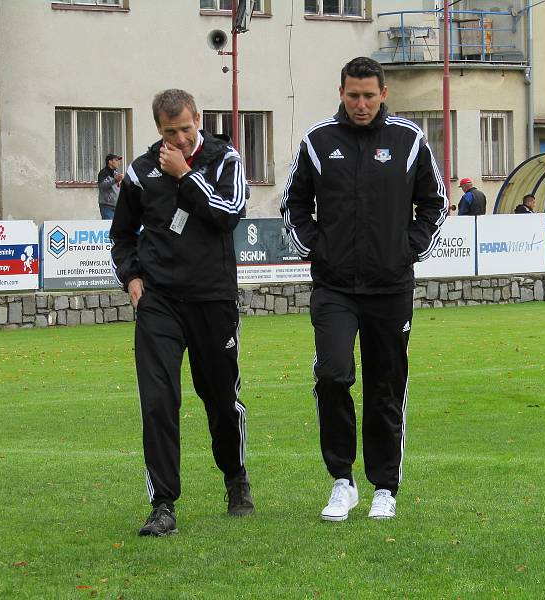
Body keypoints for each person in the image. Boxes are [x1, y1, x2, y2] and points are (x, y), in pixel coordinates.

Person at [281, 57, 447, 521]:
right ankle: (342, 481)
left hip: (391, 287)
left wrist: (406, 249)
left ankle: (384, 487)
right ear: (341, 93)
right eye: (353, 95)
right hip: (334, 286)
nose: (361, 104)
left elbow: (436, 204)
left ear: (383, 94)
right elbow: (292, 204)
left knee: (385, 386)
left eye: (369, 96)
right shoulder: (318, 142)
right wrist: (317, 248)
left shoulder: (408, 141)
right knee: (333, 374)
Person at [110, 88, 252, 537]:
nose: (181, 138)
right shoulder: (139, 171)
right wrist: (131, 276)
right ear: (159, 129)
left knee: (220, 399)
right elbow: (122, 235)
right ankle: (163, 505)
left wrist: (186, 174)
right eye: (171, 132)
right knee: (157, 400)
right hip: (160, 303)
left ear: (199, 120)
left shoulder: (225, 159)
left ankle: (235, 477)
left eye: (187, 129)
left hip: (212, 298)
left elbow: (230, 213)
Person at [97, 153, 124, 220]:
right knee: (108, 227)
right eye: (116, 160)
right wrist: (115, 180)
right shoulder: (103, 173)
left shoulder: (116, 173)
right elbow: (102, 186)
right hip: (107, 206)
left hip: (117, 206)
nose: (119, 163)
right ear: (110, 162)